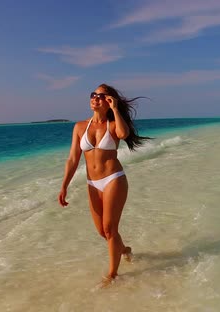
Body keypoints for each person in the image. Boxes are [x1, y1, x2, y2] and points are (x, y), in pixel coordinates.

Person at [58, 83, 149, 286]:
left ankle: (113, 274)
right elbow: (73, 159)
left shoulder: (113, 124)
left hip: (113, 179)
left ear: (109, 101)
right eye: (93, 95)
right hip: (92, 183)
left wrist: (116, 109)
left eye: (101, 96)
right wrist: (64, 185)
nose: (95, 98)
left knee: (109, 229)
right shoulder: (80, 127)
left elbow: (124, 134)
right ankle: (124, 249)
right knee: (103, 232)